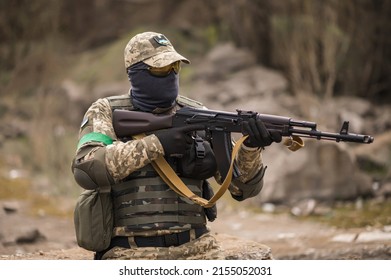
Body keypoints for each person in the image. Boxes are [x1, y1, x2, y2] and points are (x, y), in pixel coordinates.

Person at [71, 31, 282, 260]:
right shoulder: (106, 112)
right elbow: (86, 167)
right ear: (135, 73)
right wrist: (157, 144)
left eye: (175, 67)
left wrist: (250, 148)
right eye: (161, 69)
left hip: (198, 250)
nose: (171, 74)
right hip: (130, 252)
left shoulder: (198, 114)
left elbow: (242, 189)